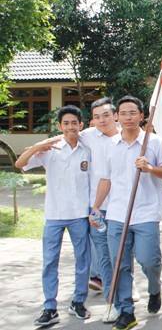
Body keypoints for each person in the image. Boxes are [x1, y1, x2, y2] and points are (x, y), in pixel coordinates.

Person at [92, 95, 162, 330]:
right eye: (123, 113)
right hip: (117, 214)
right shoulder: (109, 145)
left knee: (149, 260)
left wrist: (149, 168)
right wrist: (96, 207)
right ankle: (126, 311)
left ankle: (154, 288)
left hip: (147, 213)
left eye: (132, 113)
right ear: (117, 116)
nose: (128, 117)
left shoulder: (154, 143)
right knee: (120, 264)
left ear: (141, 116)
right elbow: (105, 180)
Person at [16, 105, 92, 327]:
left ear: (81, 125)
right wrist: (38, 145)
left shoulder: (88, 150)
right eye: (65, 123)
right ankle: (50, 307)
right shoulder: (50, 149)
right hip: (54, 215)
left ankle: (78, 302)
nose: (70, 127)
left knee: (83, 261)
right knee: (50, 262)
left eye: (74, 123)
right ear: (59, 126)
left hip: (80, 215)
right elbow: (20, 164)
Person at [80, 97, 121, 323]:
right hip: (97, 208)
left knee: (121, 254)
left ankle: (125, 289)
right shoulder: (89, 136)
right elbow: (67, 135)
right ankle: (111, 302)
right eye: (96, 117)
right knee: (103, 255)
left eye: (105, 115)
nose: (101, 120)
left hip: (122, 207)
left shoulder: (127, 137)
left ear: (114, 115)